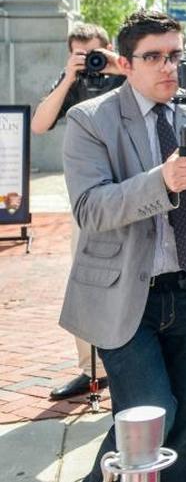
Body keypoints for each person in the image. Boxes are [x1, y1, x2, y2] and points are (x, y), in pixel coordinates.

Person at [59, 10, 186, 482]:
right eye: (153, 57)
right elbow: (89, 208)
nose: (169, 67)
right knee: (150, 417)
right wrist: (160, 182)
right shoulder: (90, 119)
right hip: (125, 295)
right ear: (125, 64)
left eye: (175, 55)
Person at [31, 22, 123, 402]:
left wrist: (118, 65)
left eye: (94, 53)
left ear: (108, 46)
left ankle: (128, 365)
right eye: (80, 54)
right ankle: (91, 369)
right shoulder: (72, 80)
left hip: (130, 190)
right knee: (85, 281)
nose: (90, 61)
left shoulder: (126, 73)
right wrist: (69, 77)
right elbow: (39, 125)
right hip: (87, 197)